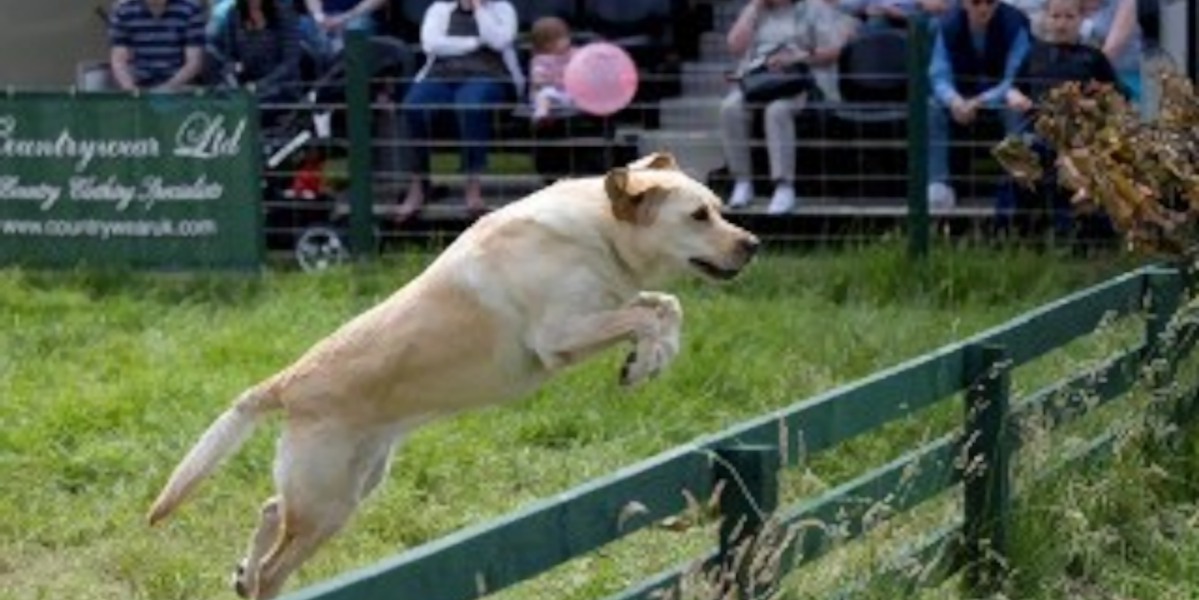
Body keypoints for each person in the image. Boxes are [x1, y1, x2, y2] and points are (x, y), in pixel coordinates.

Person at [719, 0, 858, 214]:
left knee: (777, 110)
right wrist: (753, 9)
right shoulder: (757, 11)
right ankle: (742, 182)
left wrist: (797, 57)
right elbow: (735, 47)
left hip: (800, 81)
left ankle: (784, 187)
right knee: (730, 107)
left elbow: (834, 51)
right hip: (760, 81)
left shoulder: (814, 8)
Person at [394, 0, 524, 221]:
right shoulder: (439, 9)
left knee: (470, 104)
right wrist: (473, 43)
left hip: (488, 74)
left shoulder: (502, 9)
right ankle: (419, 184)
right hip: (442, 74)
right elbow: (431, 44)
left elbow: (500, 41)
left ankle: (473, 186)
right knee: (413, 106)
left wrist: (479, 10)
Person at [1004, 0, 1119, 235]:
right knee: (1015, 157)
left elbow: (1116, 96)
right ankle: (1023, 233)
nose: (1062, 23)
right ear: (1046, 18)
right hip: (1039, 132)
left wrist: (1094, 101)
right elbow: (1014, 88)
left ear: (1080, 20)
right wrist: (1015, 97)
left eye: (1069, 17)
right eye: (1056, 16)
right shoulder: (1034, 53)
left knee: (1079, 165)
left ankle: (1080, 234)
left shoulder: (1093, 57)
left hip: (1080, 135)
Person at [926, 0, 1031, 209]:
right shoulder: (946, 24)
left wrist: (981, 101)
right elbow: (938, 74)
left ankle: (1018, 183)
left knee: (1015, 108)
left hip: (1000, 97)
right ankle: (938, 184)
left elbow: (1015, 77)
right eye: (976, 2)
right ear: (964, 3)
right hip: (960, 97)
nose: (983, 8)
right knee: (932, 107)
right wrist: (954, 100)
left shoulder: (1016, 23)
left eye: (990, 2)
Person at [206, 0, 303, 104]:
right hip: (246, 83)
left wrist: (259, 85)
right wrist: (233, 71)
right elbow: (230, 56)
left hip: (279, 87)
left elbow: (290, 63)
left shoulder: (284, 13)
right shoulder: (235, 13)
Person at [108, 0, 207, 92]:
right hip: (138, 84)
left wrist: (166, 89)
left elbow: (194, 62)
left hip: (180, 86)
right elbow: (119, 61)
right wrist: (131, 92)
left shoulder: (190, 9)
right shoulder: (122, 9)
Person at [299, 0, 387, 69]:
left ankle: (340, 67)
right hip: (324, 18)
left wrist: (345, 18)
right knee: (300, 25)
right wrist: (319, 17)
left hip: (358, 16)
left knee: (355, 28)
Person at [527, 16, 577, 123]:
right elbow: (538, 80)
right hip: (552, 92)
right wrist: (552, 80)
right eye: (562, 39)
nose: (567, 41)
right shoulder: (540, 59)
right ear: (547, 44)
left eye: (566, 37)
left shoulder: (572, 53)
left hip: (569, 92)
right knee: (545, 94)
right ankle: (542, 113)